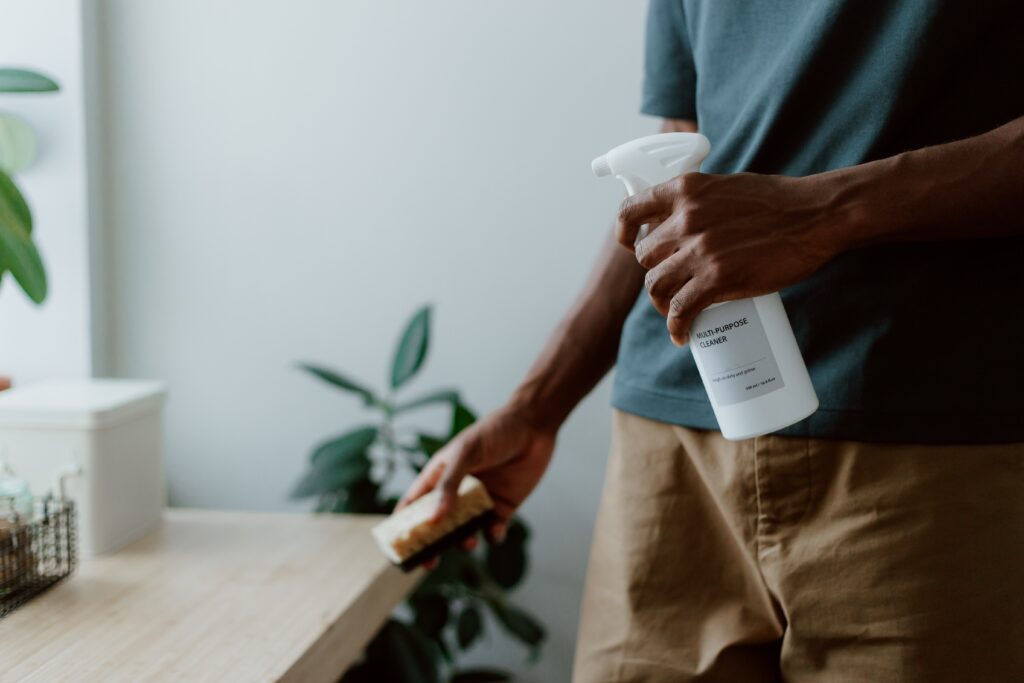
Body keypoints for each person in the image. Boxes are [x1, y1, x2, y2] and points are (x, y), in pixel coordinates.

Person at [399, 1, 1024, 680]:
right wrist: (537, 405)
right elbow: (674, 162)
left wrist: (823, 213)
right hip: (669, 454)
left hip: (925, 448)